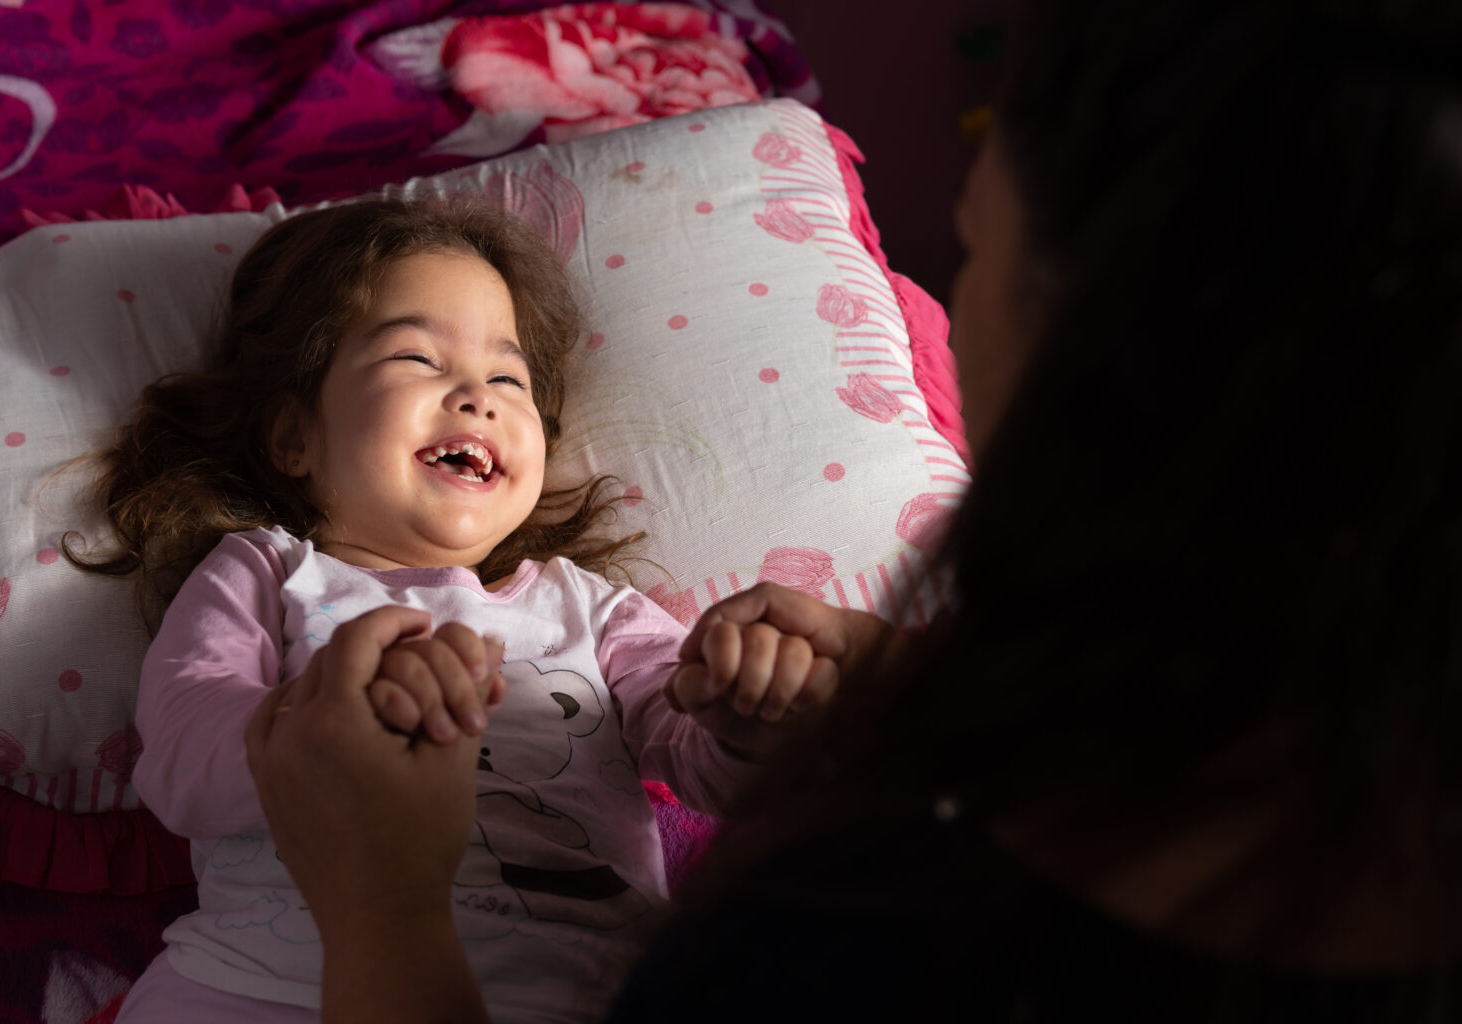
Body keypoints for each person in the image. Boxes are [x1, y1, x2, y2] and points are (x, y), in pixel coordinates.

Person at [242, 0, 1462, 1019]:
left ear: (1092, 354)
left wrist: (384, 914)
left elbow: (687, 747)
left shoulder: (839, 947)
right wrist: (910, 695)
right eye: (412, 358)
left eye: (971, 251)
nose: (938, 312)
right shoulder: (259, 574)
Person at [67, 196, 851, 1024]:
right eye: (415, 357)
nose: (478, 396)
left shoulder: (593, 611)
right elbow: (181, 760)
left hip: (581, 992)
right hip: (259, 984)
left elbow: (707, 764)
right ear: (294, 436)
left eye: (508, 377)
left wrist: (752, 716)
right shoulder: (265, 573)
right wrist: (322, 719)